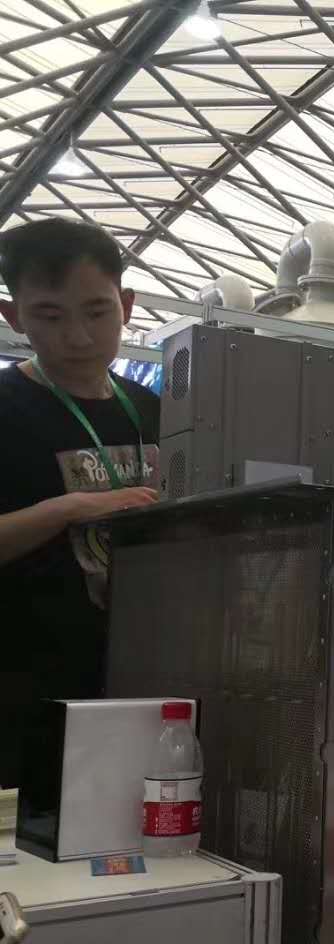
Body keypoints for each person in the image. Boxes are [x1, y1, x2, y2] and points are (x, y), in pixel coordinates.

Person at [0, 219, 159, 788]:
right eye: (49, 316)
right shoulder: (7, 408)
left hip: (145, 678)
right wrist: (67, 508)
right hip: (26, 693)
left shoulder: (157, 410)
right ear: (13, 317)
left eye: (96, 312)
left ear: (127, 305)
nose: (78, 336)